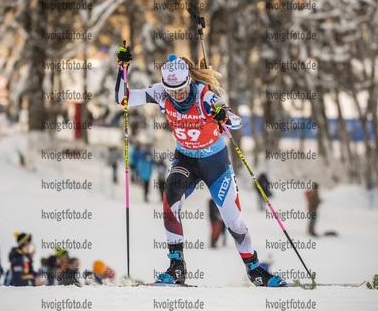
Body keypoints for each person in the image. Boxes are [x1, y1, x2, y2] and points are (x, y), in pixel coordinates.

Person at [115, 48, 286, 287]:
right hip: (185, 160)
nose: (179, 95)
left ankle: (255, 269)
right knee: (170, 199)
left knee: (234, 221)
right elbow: (123, 98)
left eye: (183, 88)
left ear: (189, 81)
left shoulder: (204, 96)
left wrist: (223, 116)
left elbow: (235, 120)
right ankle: (177, 267)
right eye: (173, 91)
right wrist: (122, 69)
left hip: (214, 162)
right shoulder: (162, 94)